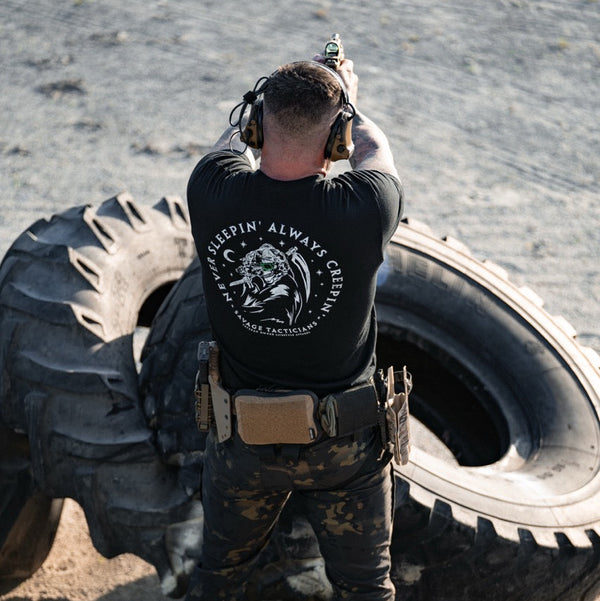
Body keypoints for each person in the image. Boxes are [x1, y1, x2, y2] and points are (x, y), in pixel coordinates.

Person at [185, 51, 403, 601]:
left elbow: (226, 144)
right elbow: (375, 151)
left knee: (219, 579)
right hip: (345, 452)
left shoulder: (210, 190)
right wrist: (347, 98)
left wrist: (256, 111)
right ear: (338, 138)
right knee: (366, 589)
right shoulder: (366, 208)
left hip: (242, 444)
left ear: (257, 126)